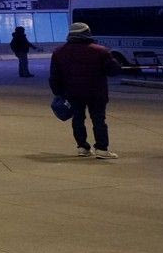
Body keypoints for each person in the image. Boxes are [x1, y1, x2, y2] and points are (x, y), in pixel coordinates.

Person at [49, 21, 118, 159]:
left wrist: (58, 92)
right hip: (96, 92)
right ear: (87, 33)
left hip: (72, 93)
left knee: (78, 119)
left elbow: (54, 76)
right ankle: (102, 149)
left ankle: (82, 147)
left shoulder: (59, 52)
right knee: (98, 119)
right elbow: (113, 70)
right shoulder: (100, 51)